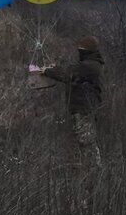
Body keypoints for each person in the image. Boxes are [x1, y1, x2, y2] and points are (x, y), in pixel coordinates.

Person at [40, 35, 104, 164]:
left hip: (85, 109)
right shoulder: (91, 64)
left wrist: (47, 71)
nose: (79, 51)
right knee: (83, 140)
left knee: (86, 141)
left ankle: (93, 170)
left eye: (81, 49)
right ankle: (88, 168)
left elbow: (68, 73)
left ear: (87, 51)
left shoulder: (90, 66)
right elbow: (72, 70)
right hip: (84, 107)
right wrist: (54, 69)